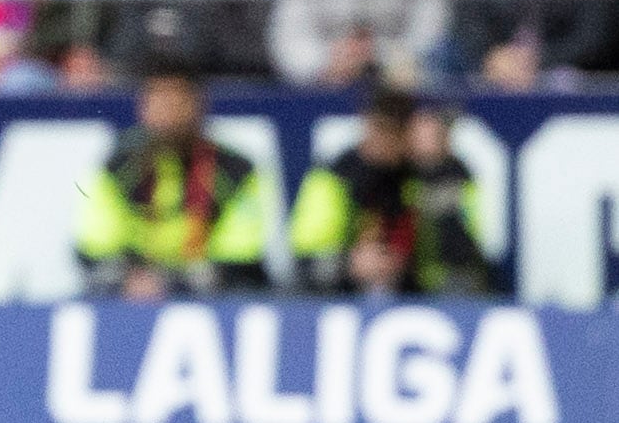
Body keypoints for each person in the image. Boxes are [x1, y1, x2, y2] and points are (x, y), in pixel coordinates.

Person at [73, 63, 269, 299]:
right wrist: (130, 279)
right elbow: (96, 248)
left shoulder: (235, 170)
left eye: (177, 99)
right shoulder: (117, 170)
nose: (168, 110)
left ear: (199, 104)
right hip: (133, 300)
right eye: (158, 98)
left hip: (211, 302)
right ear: (142, 107)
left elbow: (240, 257)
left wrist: (169, 282)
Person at [289, 88, 498, 298]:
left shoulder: (429, 176)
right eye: (379, 128)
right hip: (343, 294)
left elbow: (461, 258)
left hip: (419, 293)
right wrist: (349, 264)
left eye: (394, 131)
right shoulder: (335, 176)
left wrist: (435, 167)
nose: (382, 139)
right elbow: (306, 262)